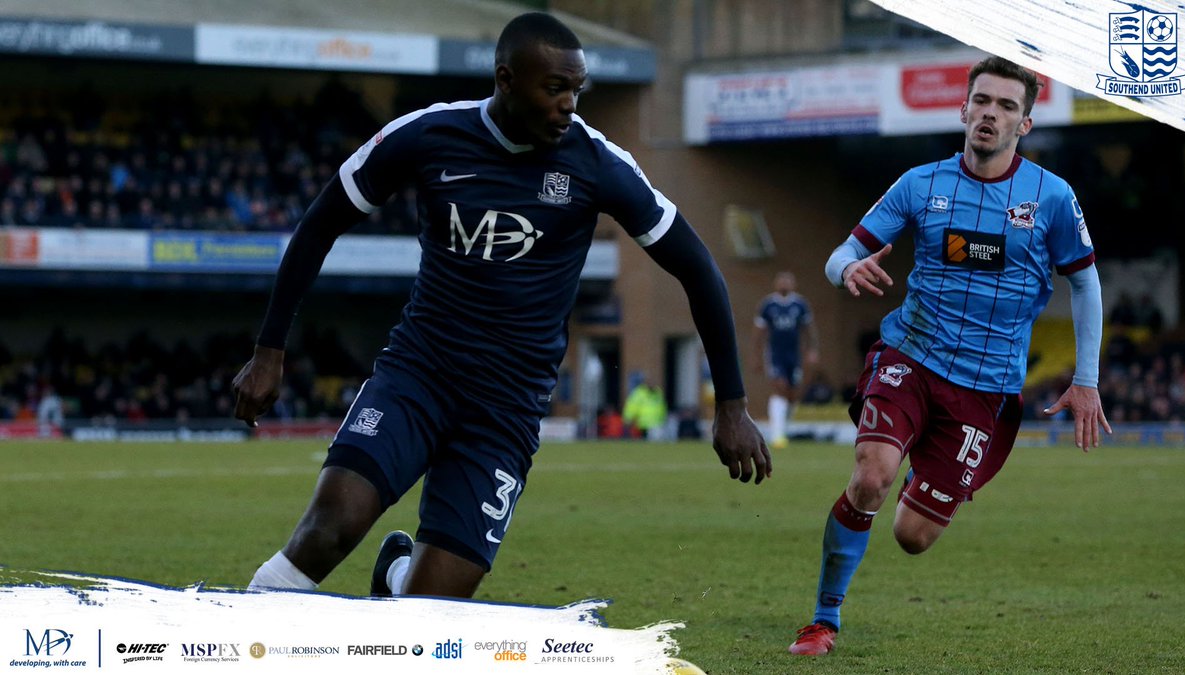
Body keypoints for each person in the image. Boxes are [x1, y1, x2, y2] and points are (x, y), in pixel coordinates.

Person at [233, 12, 771, 600]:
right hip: (418, 375)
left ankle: (396, 577)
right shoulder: (428, 135)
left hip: (506, 408)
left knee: (433, 611)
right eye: (555, 88)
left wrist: (732, 405)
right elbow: (319, 224)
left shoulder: (597, 164)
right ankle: (239, 630)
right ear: (506, 79)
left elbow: (699, 269)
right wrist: (269, 350)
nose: (568, 105)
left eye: (577, 90)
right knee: (328, 529)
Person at [788, 56, 1111, 656]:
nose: (991, 113)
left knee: (913, 536)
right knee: (870, 476)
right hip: (910, 355)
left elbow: (1086, 284)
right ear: (963, 109)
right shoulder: (920, 184)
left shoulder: (1052, 197)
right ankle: (823, 621)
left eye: (1007, 106)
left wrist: (1086, 379)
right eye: (982, 101)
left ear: (1025, 124)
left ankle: (924, 472)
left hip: (985, 387)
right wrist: (846, 270)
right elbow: (840, 254)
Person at [752, 271, 818, 448]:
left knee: (792, 394)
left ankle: (784, 427)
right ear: (775, 284)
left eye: (787, 281)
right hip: (775, 354)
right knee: (779, 387)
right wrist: (756, 356)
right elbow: (759, 333)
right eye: (781, 281)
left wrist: (812, 350)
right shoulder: (768, 305)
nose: (784, 284)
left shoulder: (800, 304)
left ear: (793, 284)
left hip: (794, 355)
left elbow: (809, 329)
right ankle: (777, 435)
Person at [622, 372, 668, 440]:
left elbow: (663, 407)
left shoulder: (658, 392)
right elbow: (631, 407)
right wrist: (627, 419)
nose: (652, 384)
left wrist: (664, 419)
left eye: (653, 382)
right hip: (643, 425)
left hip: (657, 424)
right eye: (650, 382)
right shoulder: (639, 393)